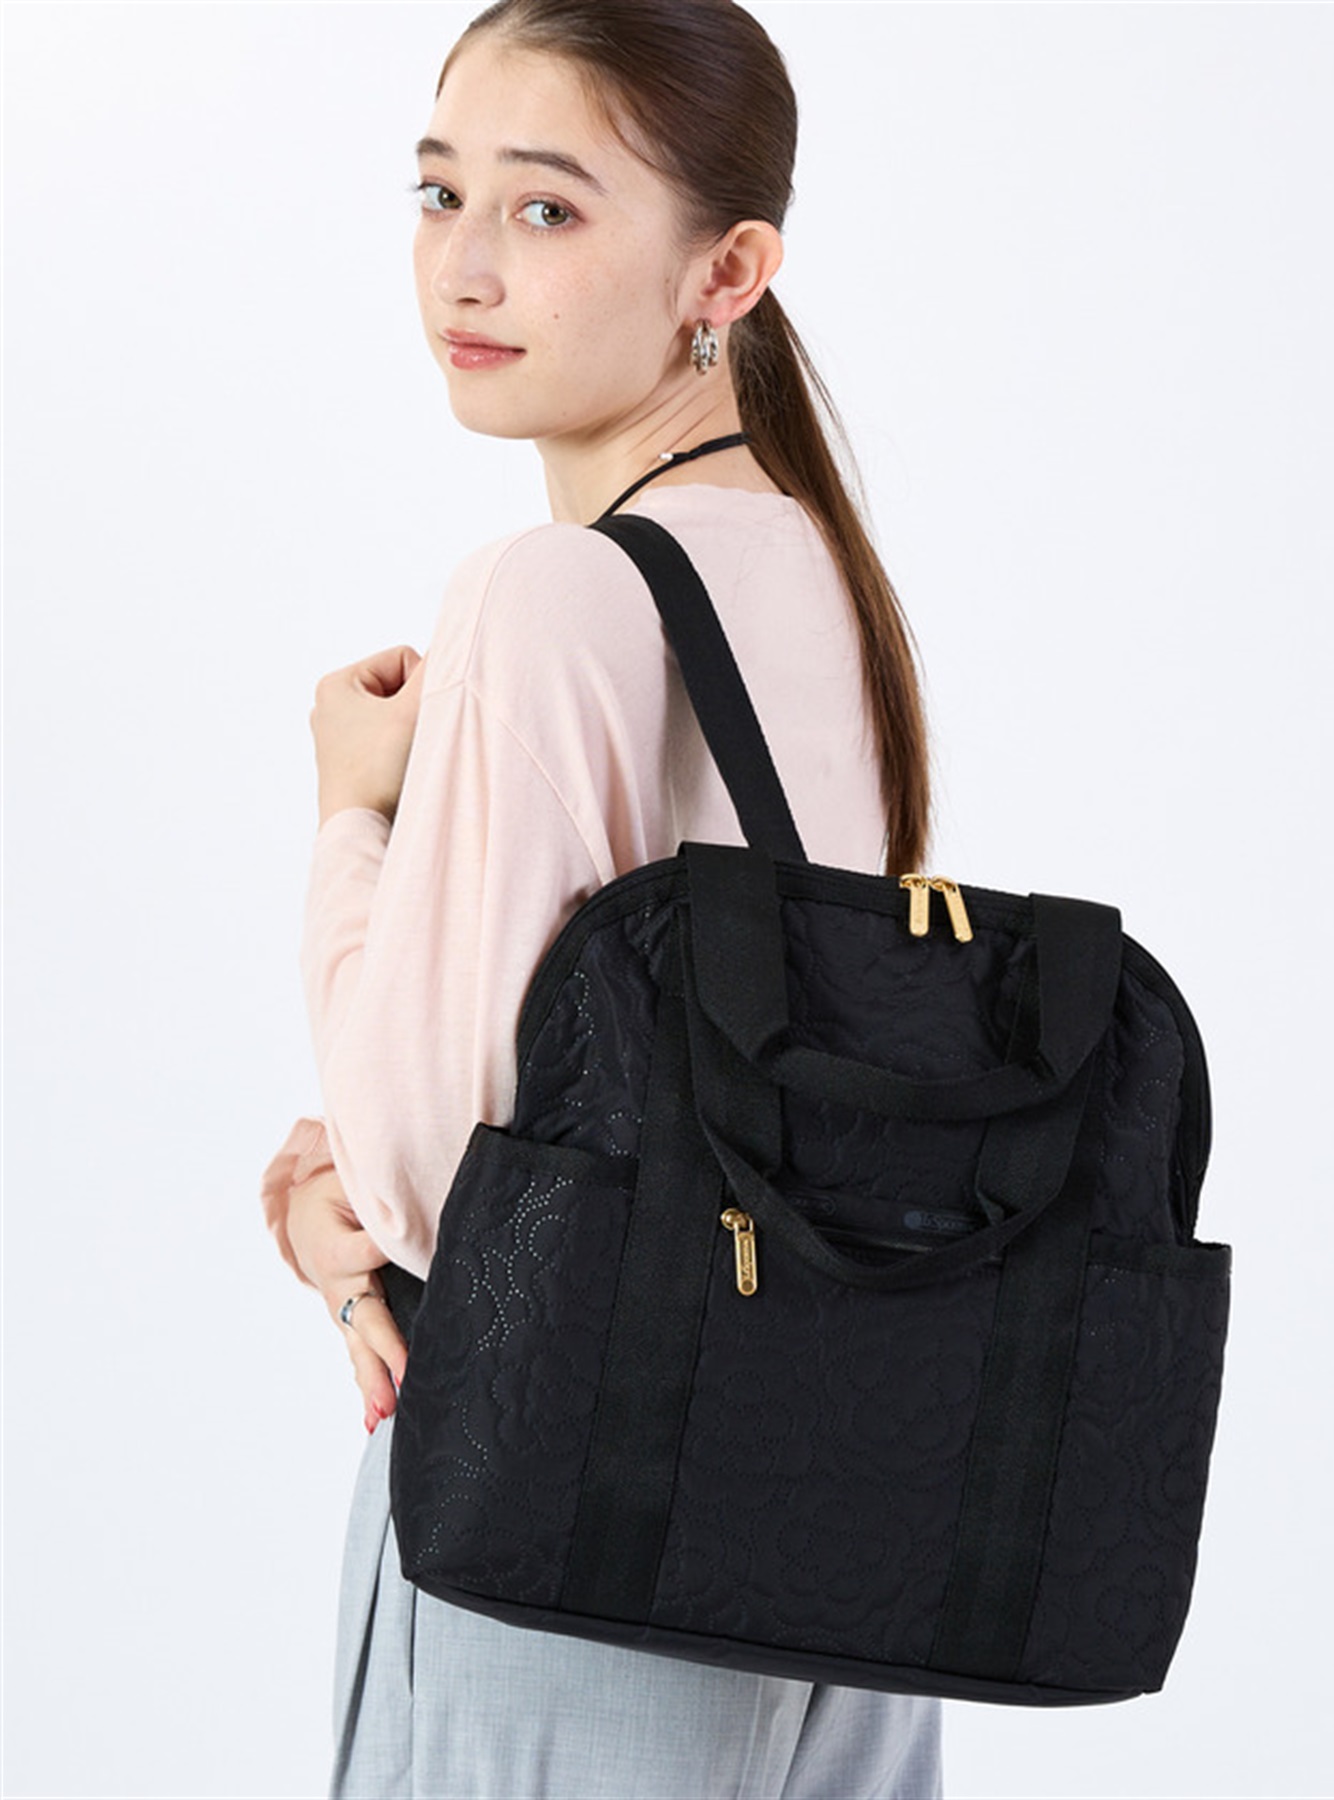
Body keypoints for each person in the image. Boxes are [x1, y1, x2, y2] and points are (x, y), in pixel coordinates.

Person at [260, 1, 943, 1793]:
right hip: (850, 1527)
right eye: (440, 193)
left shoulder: (553, 593)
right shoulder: (821, 575)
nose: (466, 267)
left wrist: (350, 816)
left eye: (548, 208)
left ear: (730, 270)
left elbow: (431, 1172)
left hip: (574, 1524)